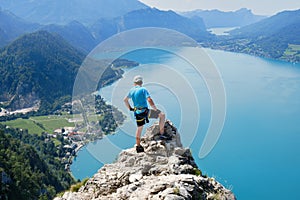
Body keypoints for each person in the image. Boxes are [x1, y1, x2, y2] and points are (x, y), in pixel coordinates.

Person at [124, 75, 168, 153]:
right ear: (141, 82)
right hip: (145, 112)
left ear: (134, 83)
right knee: (162, 115)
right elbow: (149, 99)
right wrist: (155, 109)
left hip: (137, 113)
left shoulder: (131, 91)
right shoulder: (143, 89)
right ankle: (162, 134)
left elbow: (125, 100)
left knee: (139, 128)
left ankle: (138, 146)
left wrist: (130, 108)